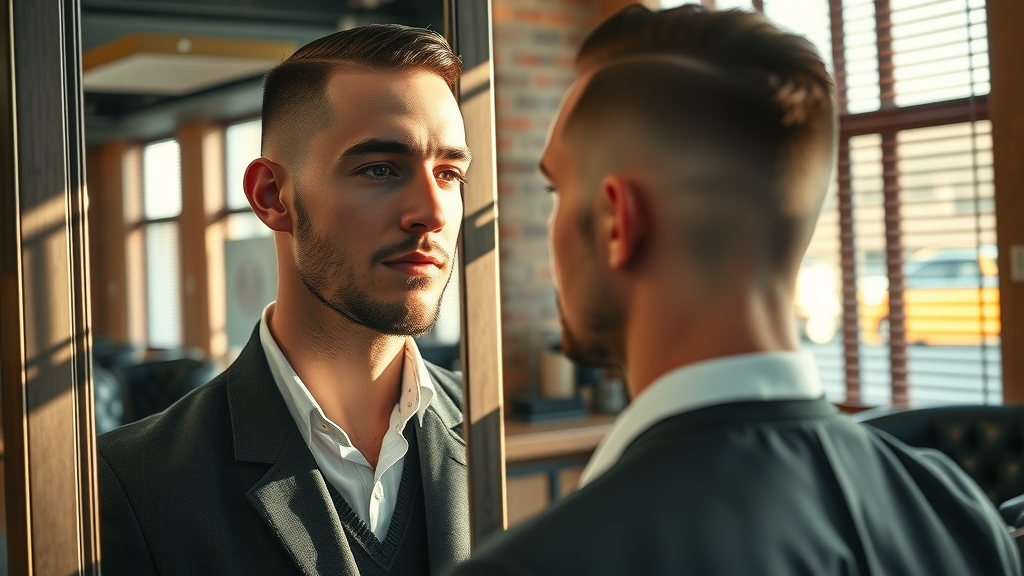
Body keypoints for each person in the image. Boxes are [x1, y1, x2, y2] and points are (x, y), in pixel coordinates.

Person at [450, 5, 1020, 576]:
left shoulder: (532, 565)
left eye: (555, 189)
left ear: (616, 222)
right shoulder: (959, 515)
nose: (548, 226)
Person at [99, 24, 472, 576]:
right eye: (379, 169)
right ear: (273, 196)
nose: (434, 212)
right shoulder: (135, 481)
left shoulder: (492, 431)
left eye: (449, 173)